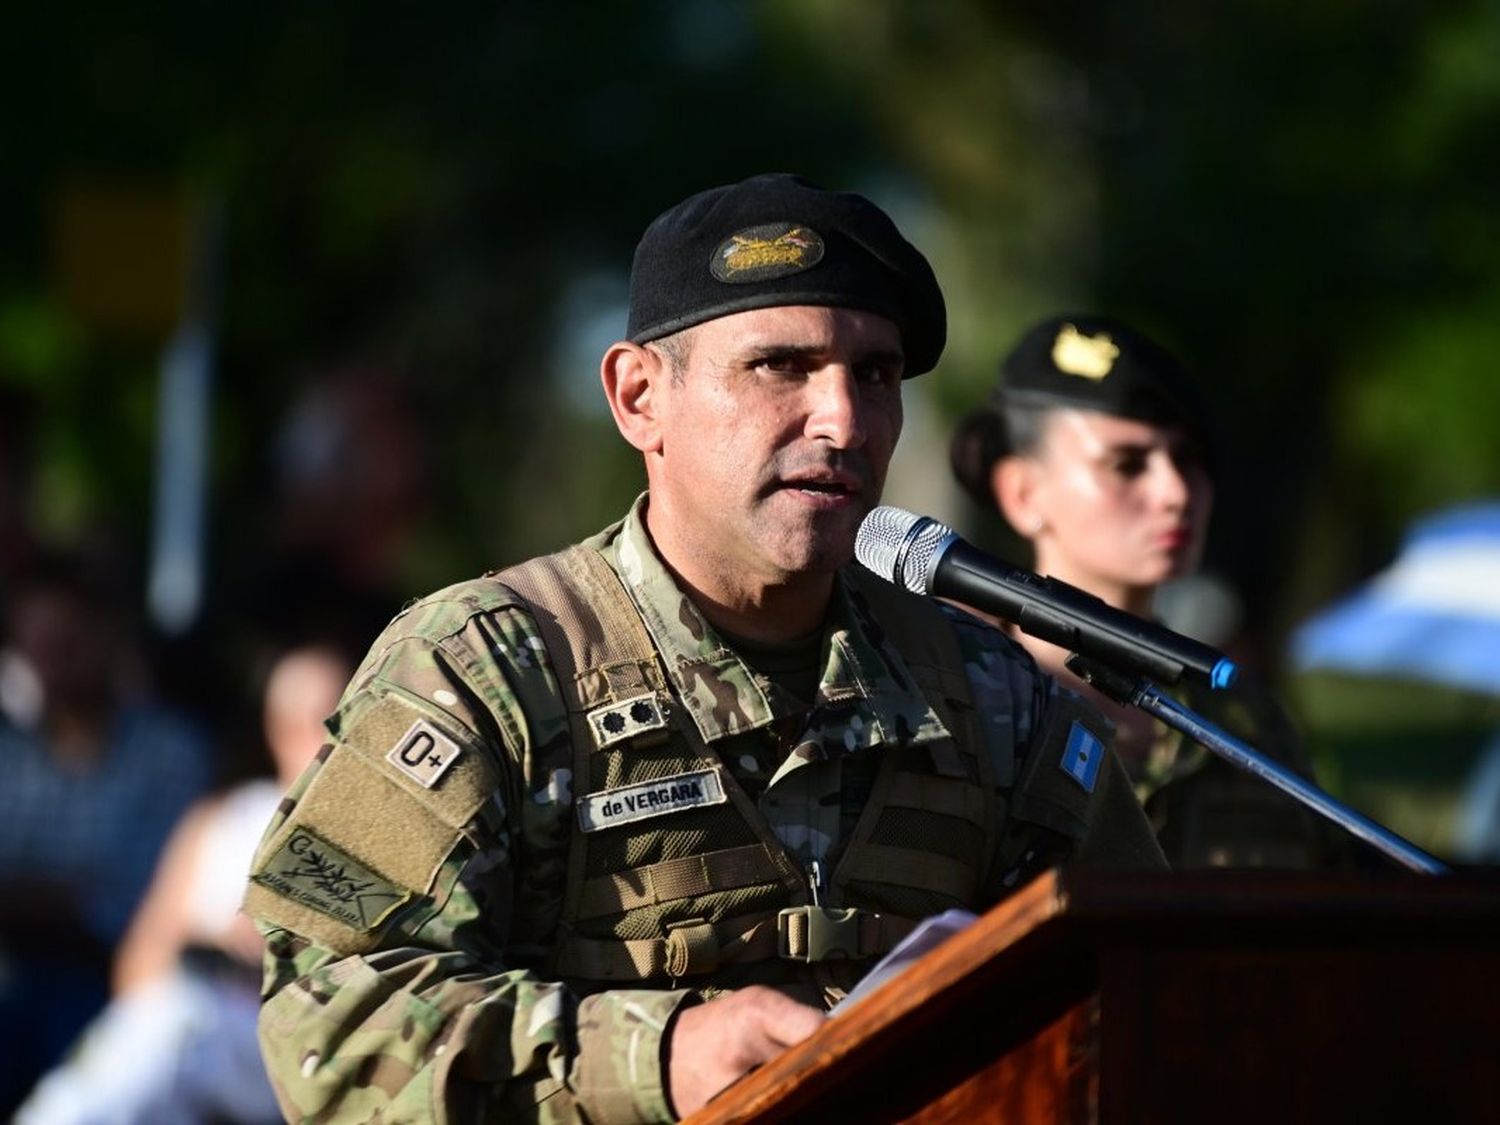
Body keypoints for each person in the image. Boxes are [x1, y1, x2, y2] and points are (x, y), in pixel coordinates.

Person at [246, 174, 1167, 1124]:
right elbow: (330, 1018)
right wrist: (657, 1058)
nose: (843, 421)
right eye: (780, 366)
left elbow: (1153, 993)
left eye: (877, 375)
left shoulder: (989, 697)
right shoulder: (487, 671)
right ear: (640, 396)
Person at [949, 314, 1327, 867]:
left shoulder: (1240, 721)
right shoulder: (956, 706)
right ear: (1023, 493)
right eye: (1128, 464)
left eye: (1189, 460)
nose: (1176, 492)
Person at [16, 643, 350, 1125]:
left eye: (332, 717)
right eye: (304, 720)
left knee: (174, 1035)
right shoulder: (220, 820)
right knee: (165, 1029)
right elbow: (137, 964)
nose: (320, 738)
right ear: (276, 728)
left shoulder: (369, 837)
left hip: (291, 1046)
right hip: (185, 1029)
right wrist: (209, 951)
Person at [0, 550, 214, 1115]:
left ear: (107, 636)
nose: (53, 664)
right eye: (38, 648)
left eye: (67, 644)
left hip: (113, 983)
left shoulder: (168, 753)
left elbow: (137, 899)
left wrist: (47, 901)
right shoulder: (10, 755)